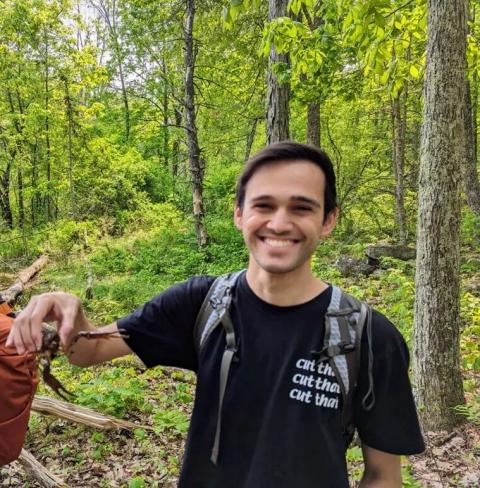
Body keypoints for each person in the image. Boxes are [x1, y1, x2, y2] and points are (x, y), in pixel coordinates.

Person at [7, 142, 425, 487]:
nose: (280, 223)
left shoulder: (369, 335)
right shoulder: (200, 303)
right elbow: (86, 352)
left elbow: (383, 475)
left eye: (301, 208)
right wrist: (69, 309)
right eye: (264, 205)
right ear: (240, 214)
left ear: (328, 219)